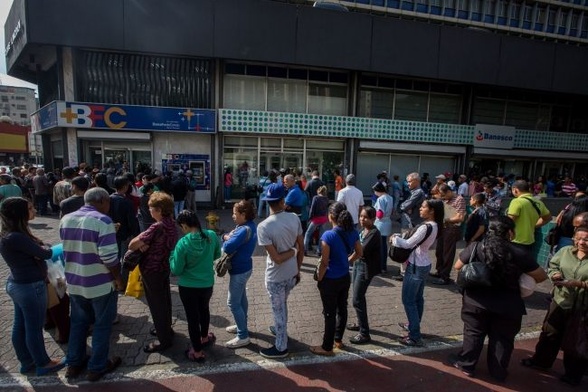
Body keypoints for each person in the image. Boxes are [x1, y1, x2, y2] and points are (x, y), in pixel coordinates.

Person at [449, 216, 547, 381]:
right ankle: (498, 371)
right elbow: (541, 276)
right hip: (508, 305)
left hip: (476, 301)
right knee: (502, 339)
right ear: (510, 232)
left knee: (473, 334)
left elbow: (458, 266)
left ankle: (467, 365)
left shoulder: (477, 247)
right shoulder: (520, 253)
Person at [59, 188, 123, 381]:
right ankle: (97, 366)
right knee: (102, 325)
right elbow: (109, 257)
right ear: (103, 201)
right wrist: (118, 278)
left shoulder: (66, 218)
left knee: (78, 323)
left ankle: (74, 363)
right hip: (100, 282)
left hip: (75, 280)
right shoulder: (103, 221)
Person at [0, 197, 65, 376]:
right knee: (33, 328)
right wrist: (62, 246)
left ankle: (26, 362)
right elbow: (46, 253)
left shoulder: (11, 234)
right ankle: (43, 363)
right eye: (30, 208)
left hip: (18, 284)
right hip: (29, 287)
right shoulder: (16, 237)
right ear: (20, 213)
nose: (34, 210)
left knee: (20, 325)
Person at [520, 225, 588, 387]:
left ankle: (573, 374)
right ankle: (541, 361)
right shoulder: (565, 252)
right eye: (578, 238)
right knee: (550, 333)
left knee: (576, 340)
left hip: (582, 307)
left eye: (586, 239)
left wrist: (579, 284)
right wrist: (555, 274)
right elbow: (553, 265)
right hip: (560, 301)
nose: (581, 242)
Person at [256, 183, 304, 359]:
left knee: (279, 310)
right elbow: (301, 246)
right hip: (291, 273)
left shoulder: (263, 226)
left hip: (275, 276)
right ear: (283, 200)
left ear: (268, 202)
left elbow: (276, 258)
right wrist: (297, 267)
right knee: (282, 305)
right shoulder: (294, 218)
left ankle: (281, 346)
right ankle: (279, 331)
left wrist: (292, 252)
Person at [128, 191, 178, 353]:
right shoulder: (171, 223)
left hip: (152, 269)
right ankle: (166, 329)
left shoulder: (157, 226)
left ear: (158, 209)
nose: (149, 211)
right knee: (165, 301)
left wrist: (141, 243)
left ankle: (163, 340)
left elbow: (132, 245)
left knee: (157, 304)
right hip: (164, 267)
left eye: (151, 208)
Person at [311, 202, 362, 356]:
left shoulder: (328, 235)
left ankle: (327, 347)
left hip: (330, 280)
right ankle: (338, 340)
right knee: (342, 308)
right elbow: (359, 252)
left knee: (329, 313)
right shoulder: (352, 231)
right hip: (345, 277)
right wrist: (347, 261)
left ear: (331, 216)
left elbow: (325, 262)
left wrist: (319, 278)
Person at [170, 210, 221, 362]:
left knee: (192, 318)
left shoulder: (183, 243)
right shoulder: (211, 235)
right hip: (207, 284)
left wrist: (172, 256)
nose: (181, 230)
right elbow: (217, 255)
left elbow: (176, 270)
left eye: (181, 227)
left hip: (188, 287)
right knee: (204, 310)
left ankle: (197, 351)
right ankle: (204, 338)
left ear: (184, 225)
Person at [392, 199, 444, 346]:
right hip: (424, 264)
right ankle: (414, 325)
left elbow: (408, 243)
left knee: (408, 300)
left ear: (432, 210)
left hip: (416, 266)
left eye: (423, 207)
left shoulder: (426, 227)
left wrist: (395, 238)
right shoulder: (435, 226)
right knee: (417, 299)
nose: (420, 209)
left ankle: (414, 335)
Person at [221, 200, 257, 349]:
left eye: (235, 213)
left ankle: (243, 336)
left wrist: (225, 238)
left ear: (243, 214)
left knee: (233, 302)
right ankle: (242, 325)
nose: (233, 216)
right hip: (245, 267)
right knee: (241, 298)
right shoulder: (250, 226)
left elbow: (227, 247)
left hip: (239, 270)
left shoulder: (243, 229)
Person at [347, 206, 381, 345]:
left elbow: (361, 251)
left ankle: (364, 334)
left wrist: (346, 260)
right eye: (361, 216)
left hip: (365, 268)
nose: (362, 219)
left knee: (357, 299)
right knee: (357, 297)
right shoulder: (364, 230)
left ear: (373, 219)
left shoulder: (374, 233)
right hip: (358, 265)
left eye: (366, 217)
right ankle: (360, 323)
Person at [432, 184, 466, 285]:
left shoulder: (459, 199)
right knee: (439, 251)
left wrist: (446, 220)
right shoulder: (444, 200)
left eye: (444, 195)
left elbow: (460, 217)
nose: (443, 197)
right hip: (442, 228)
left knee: (448, 253)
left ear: (449, 191)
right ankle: (439, 271)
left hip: (452, 229)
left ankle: (445, 276)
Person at [396, 172, 427, 281]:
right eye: (407, 181)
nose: (407, 184)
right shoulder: (414, 192)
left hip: (411, 224)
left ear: (417, 181)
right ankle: (404, 270)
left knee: (406, 246)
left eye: (409, 181)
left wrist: (405, 207)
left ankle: (404, 272)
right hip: (410, 223)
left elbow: (404, 206)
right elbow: (405, 206)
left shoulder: (418, 192)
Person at [507, 180, 551, 254]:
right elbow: (548, 218)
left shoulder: (517, 201)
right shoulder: (538, 202)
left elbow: (509, 222)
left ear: (515, 190)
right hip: (530, 241)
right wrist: (533, 225)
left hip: (515, 241)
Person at [373, 182, 393, 273]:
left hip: (380, 223)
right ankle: (383, 266)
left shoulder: (380, 199)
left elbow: (380, 213)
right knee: (384, 245)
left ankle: (380, 266)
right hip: (387, 222)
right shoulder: (390, 197)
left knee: (379, 246)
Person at [304, 185, 329, 257]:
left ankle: (305, 250)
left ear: (319, 191)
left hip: (316, 219)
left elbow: (312, 209)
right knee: (321, 236)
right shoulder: (326, 199)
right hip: (323, 219)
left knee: (308, 234)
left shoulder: (316, 198)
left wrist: (310, 218)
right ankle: (319, 251)